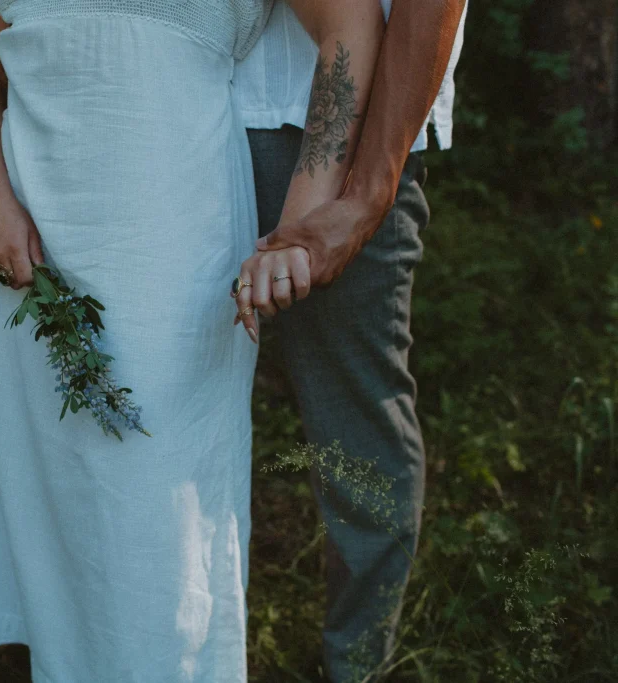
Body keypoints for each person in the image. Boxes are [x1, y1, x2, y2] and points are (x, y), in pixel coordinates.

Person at [0, 1, 383, 680]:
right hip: (28, 239)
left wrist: (299, 225)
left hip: (166, 235)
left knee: (157, 515)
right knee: (52, 499)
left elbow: (353, 27)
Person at [232, 1, 468, 680]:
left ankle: (358, 664)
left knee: (354, 428)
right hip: (188, 108)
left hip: (338, 123)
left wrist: (367, 191)